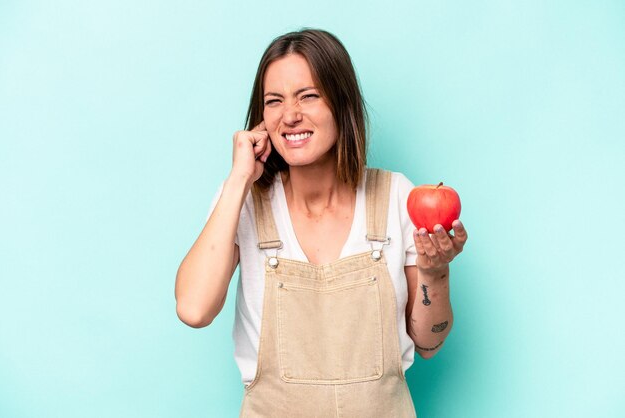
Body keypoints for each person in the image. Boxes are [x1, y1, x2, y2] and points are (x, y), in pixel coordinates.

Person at [175, 28, 468, 418]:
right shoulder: (244, 201)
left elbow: (429, 343)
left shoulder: (395, 196)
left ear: (341, 103)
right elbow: (194, 310)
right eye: (274, 101)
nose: (290, 115)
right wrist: (239, 180)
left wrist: (436, 272)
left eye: (308, 96)